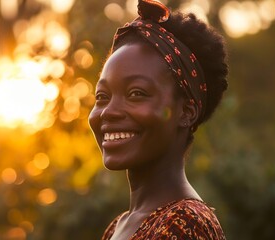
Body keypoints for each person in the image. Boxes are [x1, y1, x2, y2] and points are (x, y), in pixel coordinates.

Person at [88, 0, 228, 239]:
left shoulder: (184, 224)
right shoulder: (118, 227)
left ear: (186, 111)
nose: (108, 111)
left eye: (136, 93)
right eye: (102, 96)